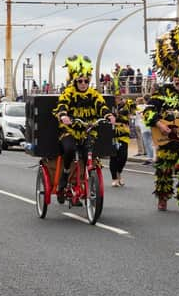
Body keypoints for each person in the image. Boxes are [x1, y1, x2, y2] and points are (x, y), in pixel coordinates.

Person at [53, 55, 116, 203]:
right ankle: (65, 174)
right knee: (68, 149)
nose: (83, 83)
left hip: (87, 130)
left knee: (88, 154)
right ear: (75, 81)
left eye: (86, 81)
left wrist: (108, 115)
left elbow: (102, 106)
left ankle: (85, 182)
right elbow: (62, 105)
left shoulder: (93, 94)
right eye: (80, 81)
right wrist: (63, 116)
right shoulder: (69, 93)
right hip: (69, 131)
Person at [143, 64, 179, 214]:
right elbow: (148, 111)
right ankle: (163, 197)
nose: (177, 80)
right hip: (166, 139)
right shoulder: (162, 92)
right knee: (164, 170)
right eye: (175, 77)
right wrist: (159, 123)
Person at [109, 96, 134, 187]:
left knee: (123, 156)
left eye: (119, 97)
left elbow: (133, 109)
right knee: (114, 157)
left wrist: (126, 102)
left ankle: (119, 172)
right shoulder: (109, 107)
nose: (117, 99)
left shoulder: (126, 105)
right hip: (113, 135)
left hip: (124, 135)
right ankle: (114, 178)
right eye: (116, 97)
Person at [135, 95, 155, 165]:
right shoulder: (150, 106)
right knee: (151, 143)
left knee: (147, 143)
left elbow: (135, 115)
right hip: (151, 126)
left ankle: (150, 158)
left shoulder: (138, 107)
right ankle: (151, 157)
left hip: (144, 127)